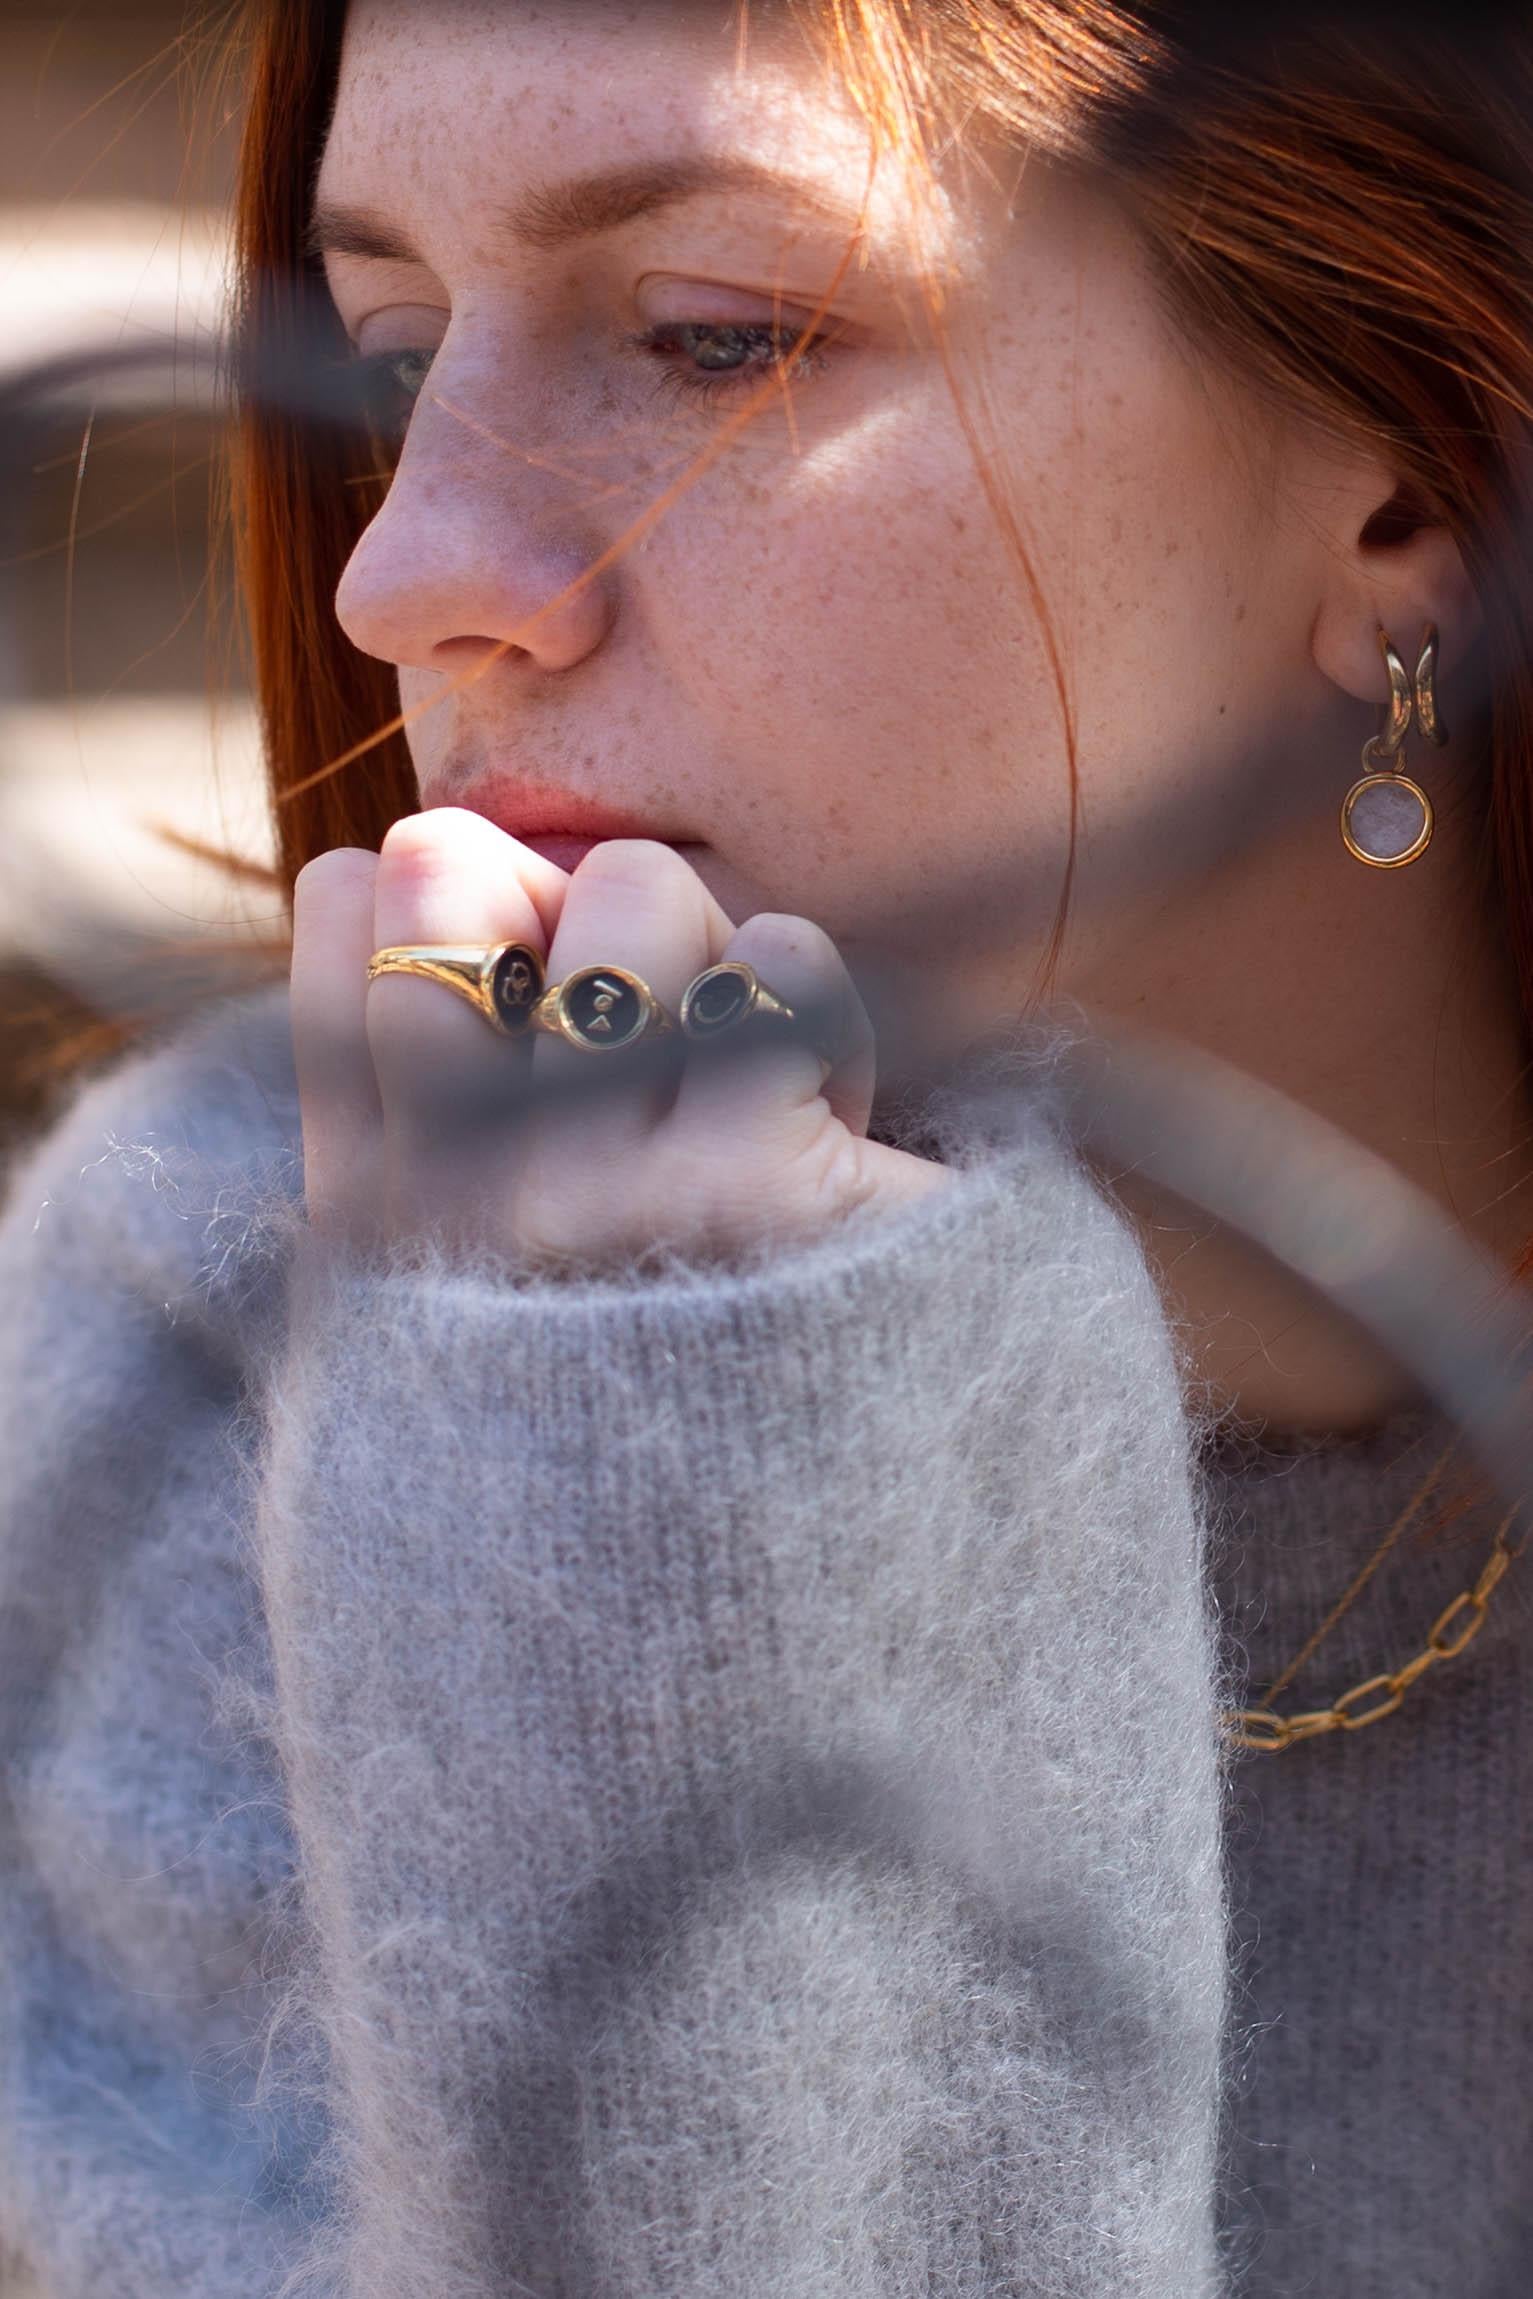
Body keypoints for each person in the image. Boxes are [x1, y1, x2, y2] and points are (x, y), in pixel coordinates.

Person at [3, 1, 1532, 2291]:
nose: (399, 573)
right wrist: (641, 1457)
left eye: (712, 337)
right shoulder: (195, 1358)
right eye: (397, 354)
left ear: (1411, 482)